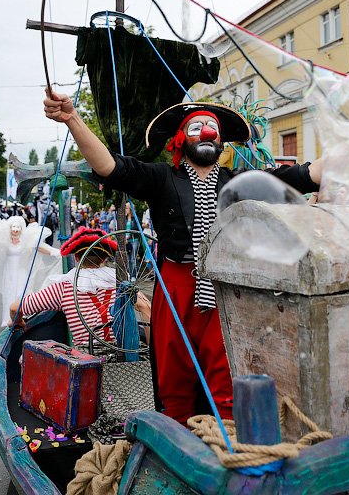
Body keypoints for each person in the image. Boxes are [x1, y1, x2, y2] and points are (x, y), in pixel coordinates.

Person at [43, 88, 322, 424]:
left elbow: (297, 178)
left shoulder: (237, 182)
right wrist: (72, 118)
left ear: (220, 142)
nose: (206, 131)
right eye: (197, 126)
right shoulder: (161, 178)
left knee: (226, 379)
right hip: (175, 286)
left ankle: (226, 450)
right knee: (174, 384)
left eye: (212, 128)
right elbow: (110, 167)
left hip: (222, 289)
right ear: (180, 139)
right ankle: (177, 450)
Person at [10, 227, 152, 346]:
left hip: (86, 361)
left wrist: (18, 322)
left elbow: (15, 308)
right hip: (124, 354)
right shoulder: (119, 282)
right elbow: (146, 308)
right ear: (104, 258)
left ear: (76, 257)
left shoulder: (64, 287)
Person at [0, 216, 62, 328]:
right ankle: (7, 319)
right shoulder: (5, 239)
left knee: (21, 293)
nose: (15, 229)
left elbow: (38, 248)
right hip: (9, 272)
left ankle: (21, 318)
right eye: (13, 227)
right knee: (9, 293)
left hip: (21, 272)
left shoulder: (26, 241)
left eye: (18, 227)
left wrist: (54, 252)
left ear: (21, 228)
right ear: (10, 228)